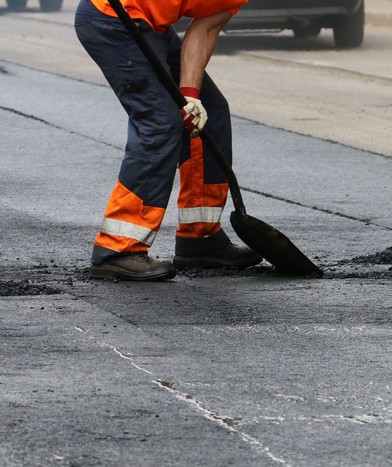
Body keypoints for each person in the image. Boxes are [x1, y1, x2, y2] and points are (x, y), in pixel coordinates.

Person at [74, 0, 262, 281]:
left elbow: (205, 29)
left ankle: (200, 238)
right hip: (113, 18)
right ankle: (117, 250)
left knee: (213, 110)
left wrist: (190, 96)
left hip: (152, 28)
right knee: (160, 123)